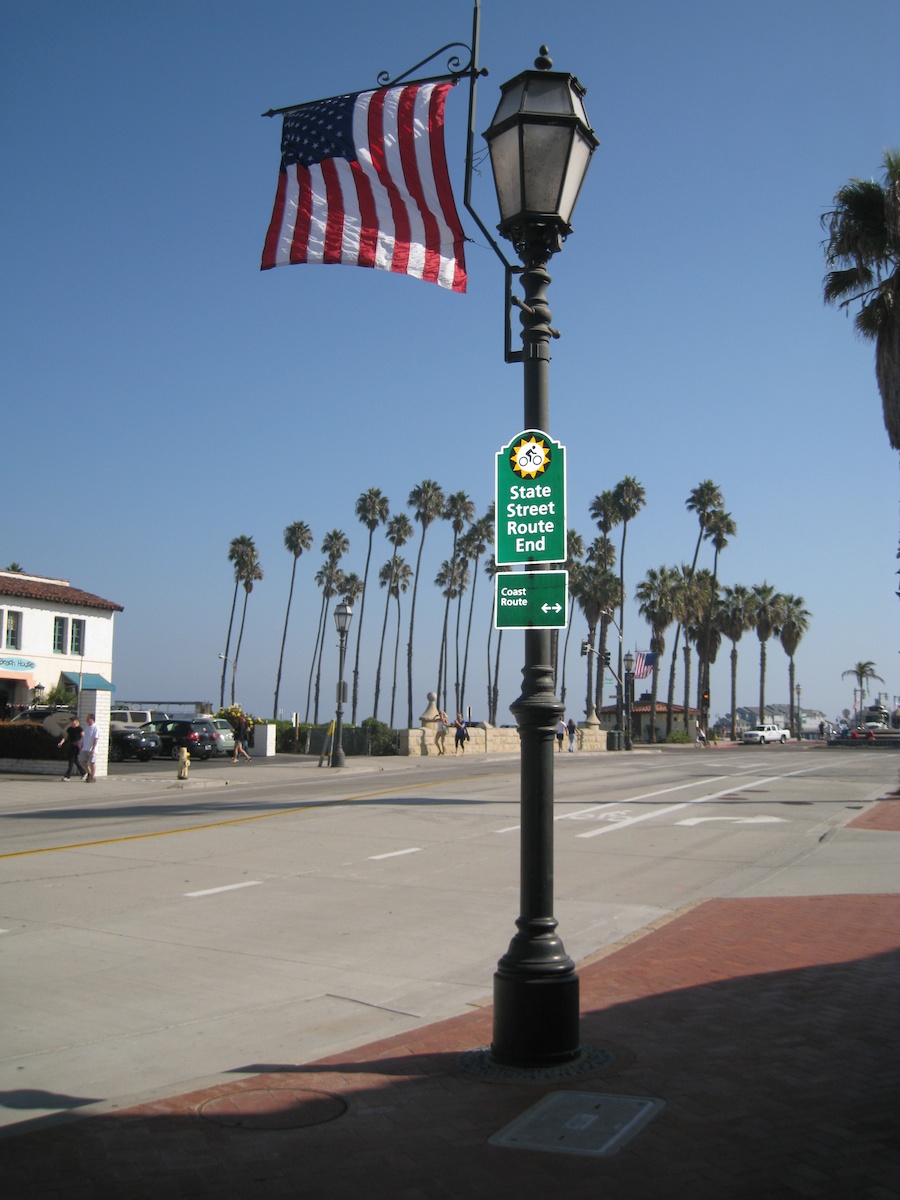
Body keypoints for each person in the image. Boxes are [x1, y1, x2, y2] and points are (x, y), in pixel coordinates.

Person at [58, 716, 85, 780]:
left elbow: (84, 737)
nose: (72, 722)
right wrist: (61, 743)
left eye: (73, 721)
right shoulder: (69, 729)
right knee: (75, 760)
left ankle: (67, 776)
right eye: (72, 721)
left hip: (76, 746)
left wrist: (83, 745)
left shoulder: (79, 729)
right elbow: (65, 737)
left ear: (77, 722)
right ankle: (83, 773)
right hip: (71, 745)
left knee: (71, 760)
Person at [79, 713, 99, 781]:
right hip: (85, 748)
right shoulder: (86, 728)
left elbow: (96, 738)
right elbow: (84, 738)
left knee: (92, 762)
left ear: (92, 719)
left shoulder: (95, 728)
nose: (86, 720)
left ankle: (93, 776)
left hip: (92, 749)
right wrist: (81, 745)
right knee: (82, 761)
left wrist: (93, 748)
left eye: (88, 718)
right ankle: (89, 773)